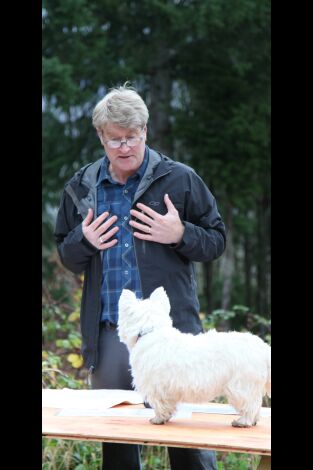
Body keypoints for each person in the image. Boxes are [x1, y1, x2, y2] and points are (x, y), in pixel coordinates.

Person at [54, 83, 226, 470]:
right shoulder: (81, 187)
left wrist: (181, 234)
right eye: (115, 139)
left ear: (145, 131)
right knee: (117, 441)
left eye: (132, 137)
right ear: (101, 136)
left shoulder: (180, 179)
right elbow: (67, 253)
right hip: (111, 334)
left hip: (173, 333)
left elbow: (217, 240)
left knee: (186, 438)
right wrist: (85, 241)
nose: (125, 147)